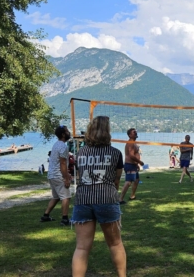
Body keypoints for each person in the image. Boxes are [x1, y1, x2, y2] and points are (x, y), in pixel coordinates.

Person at [71, 116, 126, 277]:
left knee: (81, 248)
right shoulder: (115, 153)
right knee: (115, 244)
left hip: (83, 199)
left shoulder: (80, 153)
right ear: (107, 132)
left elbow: (80, 176)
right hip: (107, 199)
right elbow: (116, 180)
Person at [41, 125, 72, 226]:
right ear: (63, 134)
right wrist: (66, 178)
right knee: (66, 197)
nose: (69, 132)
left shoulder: (56, 144)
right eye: (67, 131)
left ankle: (45, 216)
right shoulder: (63, 146)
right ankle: (65, 219)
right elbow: (62, 163)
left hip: (51, 175)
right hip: (58, 175)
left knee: (56, 197)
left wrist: (67, 174)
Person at [119, 128, 144, 204]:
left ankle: (132, 196)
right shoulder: (130, 143)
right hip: (129, 165)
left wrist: (136, 164)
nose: (136, 133)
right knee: (128, 182)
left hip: (133, 165)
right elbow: (131, 155)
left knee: (136, 180)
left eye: (136, 131)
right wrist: (140, 162)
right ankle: (120, 199)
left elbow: (135, 155)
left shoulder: (134, 143)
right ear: (130, 135)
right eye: (134, 132)